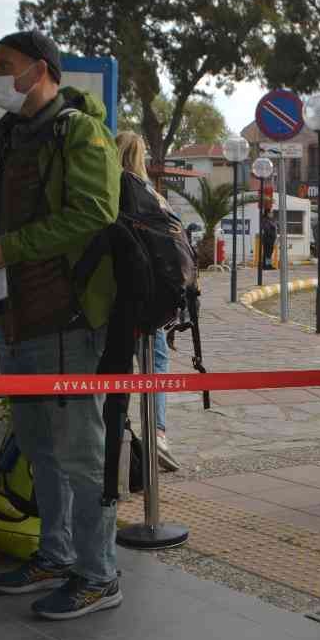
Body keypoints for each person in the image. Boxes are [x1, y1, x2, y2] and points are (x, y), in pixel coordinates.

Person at [0, 31, 123, 620]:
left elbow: (94, 213)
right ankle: (55, 555)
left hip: (67, 319)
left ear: (42, 70)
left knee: (80, 450)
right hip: (15, 314)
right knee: (36, 445)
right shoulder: (11, 134)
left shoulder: (78, 131)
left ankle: (99, 573)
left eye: (5, 66)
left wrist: (9, 247)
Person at [115, 131, 176, 472]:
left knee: (117, 370)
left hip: (113, 302)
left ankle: (119, 436)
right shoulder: (153, 198)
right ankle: (158, 433)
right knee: (156, 363)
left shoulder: (105, 194)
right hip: (150, 304)